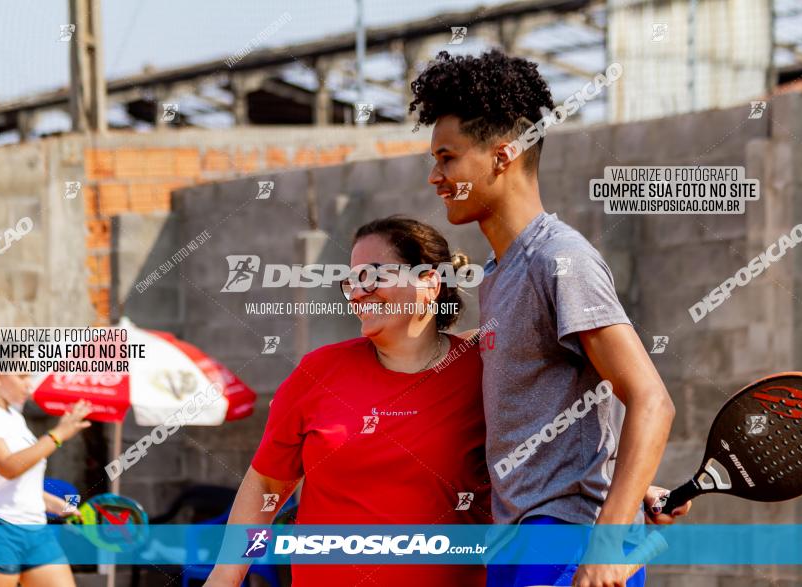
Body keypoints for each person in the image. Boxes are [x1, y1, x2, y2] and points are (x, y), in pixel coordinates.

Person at [410, 49, 691, 587]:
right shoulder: (499, 272)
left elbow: (652, 400)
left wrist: (607, 541)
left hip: (563, 541)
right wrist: (625, 488)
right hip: (521, 541)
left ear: (502, 156)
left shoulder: (560, 259)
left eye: (447, 158)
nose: (434, 176)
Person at [206, 217, 493, 587]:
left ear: (429, 282)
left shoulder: (482, 371)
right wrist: (226, 576)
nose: (357, 294)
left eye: (372, 276)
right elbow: (266, 487)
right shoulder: (319, 372)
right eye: (352, 282)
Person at [0, 357, 92, 587]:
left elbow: (18, 482)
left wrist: (54, 504)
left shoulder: (14, 417)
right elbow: (9, 467)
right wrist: (58, 434)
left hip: (35, 530)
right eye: (22, 376)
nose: (29, 385)